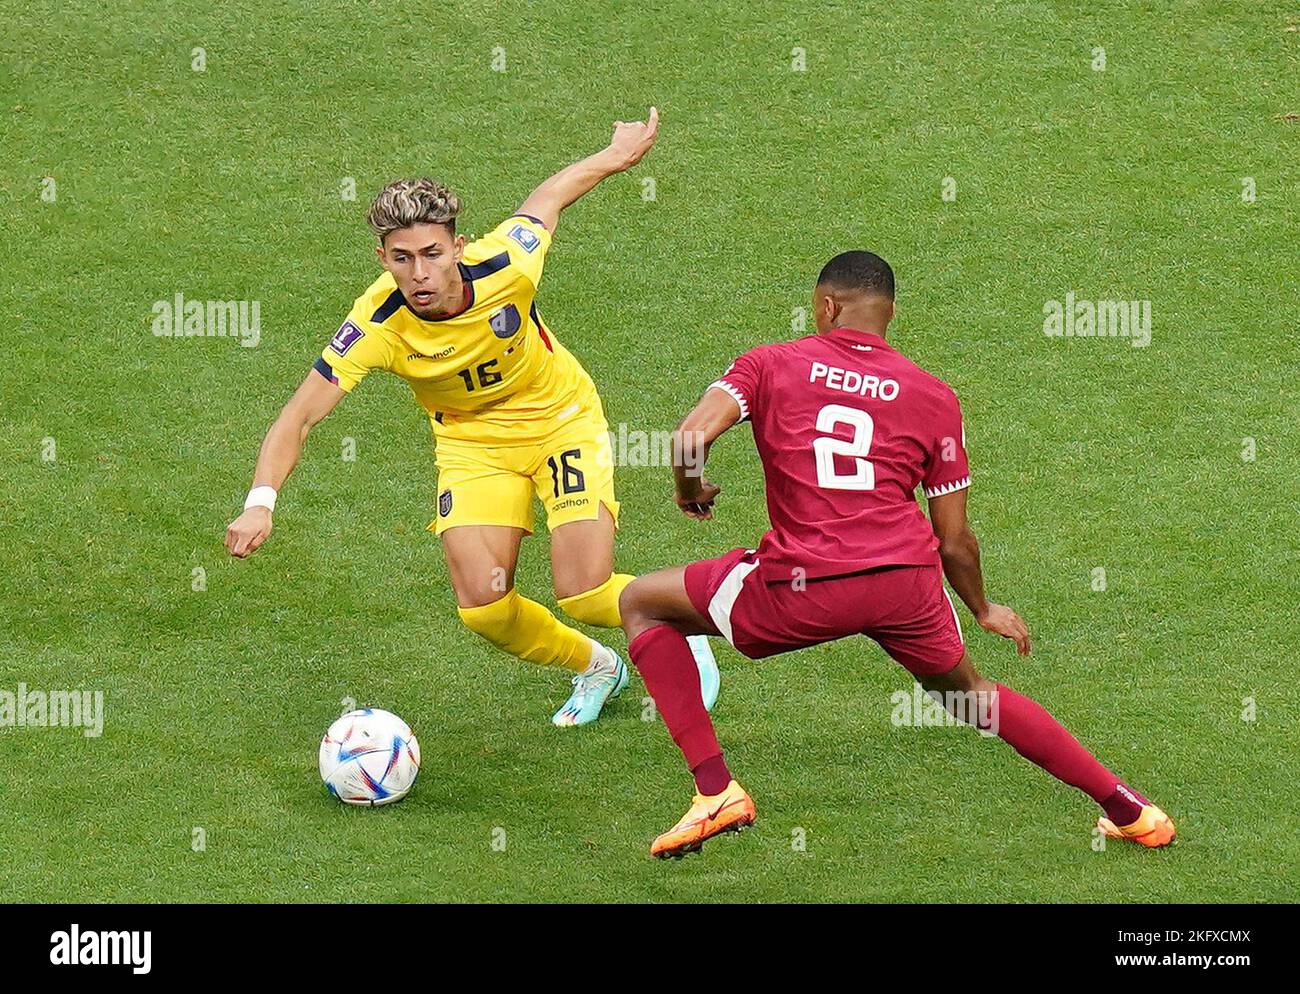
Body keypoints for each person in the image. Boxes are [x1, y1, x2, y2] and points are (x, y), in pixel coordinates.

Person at [618, 249, 1174, 857]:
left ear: (827, 306)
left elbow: (690, 437)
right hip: (906, 584)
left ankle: (715, 791)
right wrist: (983, 607)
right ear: (888, 313)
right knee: (972, 696)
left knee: (643, 602)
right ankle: (1132, 811)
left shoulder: (770, 363)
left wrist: (690, 490)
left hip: (808, 586)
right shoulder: (935, 396)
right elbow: (955, 539)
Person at [225, 109, 718, 727]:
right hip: (472, 447)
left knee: (585, 590)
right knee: (484, 607)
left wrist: (616, 154)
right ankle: (597, 667)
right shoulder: (376, 324)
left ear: (458, 246)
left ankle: (679, 617)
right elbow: (298, 416)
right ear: (382, 256)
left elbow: (549, 198)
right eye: (401, 258)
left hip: (559, 420)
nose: (420, 273)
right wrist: (261, 500)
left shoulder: (506, 265)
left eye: (432, 253)